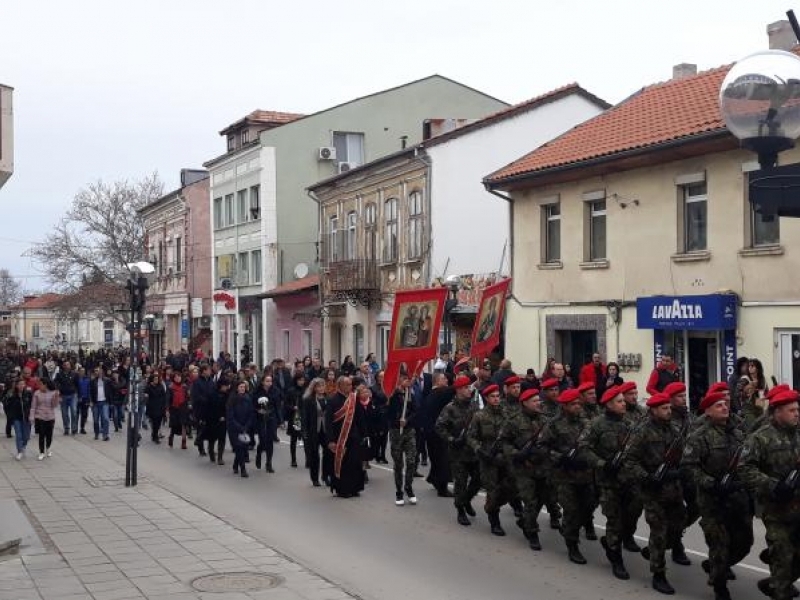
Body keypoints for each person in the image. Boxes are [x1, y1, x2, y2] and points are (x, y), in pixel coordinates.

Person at [683, 390, 753, 600]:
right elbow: (688, 467)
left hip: (737, 498)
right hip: (712, 500)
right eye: (718, 405)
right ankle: (720, 587)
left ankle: (716, 566)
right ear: (708, 411)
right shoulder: (699, 437)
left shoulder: (738, 434)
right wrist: (710, 483)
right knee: (719, 545)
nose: (724, 407)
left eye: (725, 404)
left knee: (744, 542)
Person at [622, 392, 686, 595]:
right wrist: (646, 476)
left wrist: (679, 471)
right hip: (652, 491)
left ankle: (654, 552)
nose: (669, 411)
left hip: (673, 490)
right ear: (653, 410)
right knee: (658, 532)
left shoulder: (675, 430)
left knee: (677, 527)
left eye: (669, 407)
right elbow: (629, 460)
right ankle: (658, 574)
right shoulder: (642, 432)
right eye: (664, 408)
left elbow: (683, 456)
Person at [739, 388, 800, 600]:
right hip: (776, 510)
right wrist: (773, 485)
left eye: (797, 409)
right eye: (791, 410)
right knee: (783, 557)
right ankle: (780, 587)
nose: (797, 413)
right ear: (777, 411)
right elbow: (745, 469)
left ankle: (776, 581)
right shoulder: (760, 438)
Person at [579, 385, 638, 579]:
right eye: (620, 401)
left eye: (623, 401)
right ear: (610, 404)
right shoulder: (596, 424)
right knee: (615, 520)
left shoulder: (629, 424)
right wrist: (601, 463)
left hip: (628, 480)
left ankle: (614, 542)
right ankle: (616, 558)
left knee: (629, 518)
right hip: (607, 481)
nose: (624, 404)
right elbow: (584, 448)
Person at [538, 388, 594, 565]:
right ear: (564, 406)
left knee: (587, 508)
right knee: (571, 511)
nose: (577, 407)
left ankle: (571, 529)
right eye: (573, 404)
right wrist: (560, 458)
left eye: (579, 403)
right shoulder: (554, 424)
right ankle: (572, 546)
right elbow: (542, 446)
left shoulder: (586, 423)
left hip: (585, 474)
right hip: (564, 475)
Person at [501, 387, 552, 550]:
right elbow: (504, 442)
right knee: (530, 501)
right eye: (535, 401)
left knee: (540, 499)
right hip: (523, 468)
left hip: (542, 466)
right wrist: (517, 454)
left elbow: (552, 440)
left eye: (539, 400)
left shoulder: (545, 420)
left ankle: (525, 521)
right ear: (525, 403)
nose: (539, 403)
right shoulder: (514, 421)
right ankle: (532, 533)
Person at [468, 384, 513, 536]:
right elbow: (471, 436)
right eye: (493, 397)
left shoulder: (506, 414)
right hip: (488, 459)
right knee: (493, 491)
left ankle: (490, 506)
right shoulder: (479, 416)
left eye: (498, 396)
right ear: (487, 399)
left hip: (504, 458)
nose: (496, 399)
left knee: (509, 489)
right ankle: (495, 522)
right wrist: (479, 450)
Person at [436, 376, 480, 526]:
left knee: (478, 479)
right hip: (458, 453)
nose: (469, 390)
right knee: (460, 483)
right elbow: (440, 427)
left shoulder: (474, 406)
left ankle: (466, 500)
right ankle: (460, 510)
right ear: (460, 390)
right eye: (467, 388)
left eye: (469, 387)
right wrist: (451, 439)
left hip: (473, 451)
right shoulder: (450, 408)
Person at [325, 376, 366, 498]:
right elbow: (328, 422)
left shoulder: (354, 399)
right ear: (340, 386)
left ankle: (354, 488)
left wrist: (364, 434)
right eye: (347, 385)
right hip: (339, 437)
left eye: (350, 384)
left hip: (353, 436)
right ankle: (342, 489)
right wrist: (331, 440)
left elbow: (360, 417)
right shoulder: (332, 400)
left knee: (355, 462)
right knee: (343, 463)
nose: (350, 387)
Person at [388, 373, 419, 506]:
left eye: (408, 379)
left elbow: (416, 410)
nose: (408, 382)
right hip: (396, 432)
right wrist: (397, 421)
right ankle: (399, 491)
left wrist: (407, 420)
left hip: (409, 430)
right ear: (399, 381)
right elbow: (386, 412)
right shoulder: (392, 395)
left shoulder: (410, 394)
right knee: (399, 464)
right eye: (405, 379)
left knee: (412, 461)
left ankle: (408, 486)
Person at [422, 372, 455, 497]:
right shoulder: (439, 393)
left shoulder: (432, 394)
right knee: (443, 460)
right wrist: (473, 377)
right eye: (443, 379)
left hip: (431, 432)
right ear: (436, 381)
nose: (446, 380)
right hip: (438, 432)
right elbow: (454, 389)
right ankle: (442, 488)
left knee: (436, 458)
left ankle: (433, 478)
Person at [301, 377, 330, 487]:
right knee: (314, 455)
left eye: (323, 386)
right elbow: (305, 417)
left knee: (327, 454)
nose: (321, 388)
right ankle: (314, 478)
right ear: (314, 388)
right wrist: (304, 431)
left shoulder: (328, 398)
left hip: (326, 431)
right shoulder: (308, 400)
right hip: (313, 430)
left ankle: (326, 476)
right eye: (319, 386)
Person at [227, 381, 254, 478]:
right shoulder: (232, 399)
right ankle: (243, 469)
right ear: (237, 388)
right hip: (234, 429)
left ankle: (235, 464)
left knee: (243, 448)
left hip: (245, 427)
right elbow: (230, 416)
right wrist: (239, 427)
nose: (242, 388)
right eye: (240, 387)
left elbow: (251, 413)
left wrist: (247, 426)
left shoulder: (248, 398)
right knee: (238, 447)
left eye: (244, 387)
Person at [254, 374, 280, 473]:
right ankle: (259, 453)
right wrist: (258, 411)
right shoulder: (257, 392)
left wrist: (280, 420)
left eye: (270, 381)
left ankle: (269, 463)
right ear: (262, 382)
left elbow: (277, 406)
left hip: (271, 417)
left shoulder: (275, 391)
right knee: (263, 440)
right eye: (267, 381)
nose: (269, 383)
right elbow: (253, 405)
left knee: (270, 441)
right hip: (260, 418)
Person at [30, 378, 59, 460]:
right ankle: (41, 452)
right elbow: (33, 406)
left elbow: (54, 405)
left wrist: (56, 397)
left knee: (49, 435)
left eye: (41, 384)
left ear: (45, 385)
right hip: (40, 417)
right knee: (41, 435)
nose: (39, 386)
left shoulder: (52, 392)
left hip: (50, 417)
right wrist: (32, 417)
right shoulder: (37, 393)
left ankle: (48, 448)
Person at [5, 379, 32, 459]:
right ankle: (19, 451)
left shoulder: (28, 394)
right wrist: (10, 415)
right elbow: (7, 405)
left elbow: (32, 405)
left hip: (26, 418)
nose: (21, 386)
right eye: (20, 384)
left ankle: (23, 446)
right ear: (16, 385)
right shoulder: (12, 394)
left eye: (23, 384)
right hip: (16, 418)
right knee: (18, 435)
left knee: (26, 436)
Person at [206, 377, 229, 466]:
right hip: (213, 420)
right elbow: (210, 408)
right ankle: (211, 452)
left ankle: (220, 457)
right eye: (225, 386)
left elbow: (228, 407)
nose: (227, 387)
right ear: (221, 386)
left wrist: (225, 416)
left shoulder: (227, 395)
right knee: (212, 438)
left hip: (223, 421)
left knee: (222, 439)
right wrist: (217, 416)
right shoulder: (213, 394)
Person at [284, 373, 306, 468]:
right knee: (294, 439)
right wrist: (293, 407)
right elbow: (286, 404)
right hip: (294, 417)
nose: (301, 382)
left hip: (304, 417)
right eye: (300, 380)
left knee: (306, 439)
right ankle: (293, 459)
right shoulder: (291, 391)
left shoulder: (306, 391)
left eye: (303, 380)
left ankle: (308, 459)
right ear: (296, 380)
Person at [55, 360, 79, 436]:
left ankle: (74, 428)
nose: (66, 366)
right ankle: (66, 428)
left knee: (74, 411)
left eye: (68, 364)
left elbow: (77, 384)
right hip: (63, 395)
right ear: (63, 366)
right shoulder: (59, 374)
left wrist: (79, 394)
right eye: (65, 365)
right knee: (64, 413)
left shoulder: (74, 374)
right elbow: (55, 383)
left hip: (73, 395)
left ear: (70, 365)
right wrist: (58, 390)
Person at [370, 371, 389, 464]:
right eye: (380, 376)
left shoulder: (388, 386)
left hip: (386, 415)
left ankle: (383, 455)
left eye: (384, 376)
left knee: (385, 436)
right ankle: (377, 454)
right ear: (377, 377)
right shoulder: (373, 388)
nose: (382, 378)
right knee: (377, 437)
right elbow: (373, 402)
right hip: (377, 415)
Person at [90, 367, 112, 441]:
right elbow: (90, 392)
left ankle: (105, 435)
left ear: (102, 373)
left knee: (105, 418)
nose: (98, 373)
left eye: (100, 372)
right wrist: (91, 401)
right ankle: (96, 433)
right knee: (96, 420)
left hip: (104, 402)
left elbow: (111, 390)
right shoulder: (93, 381)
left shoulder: (107, 380)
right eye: (97, 372)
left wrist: (110, 401)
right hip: (96, 403)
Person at [168, 372, 189, 449]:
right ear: (173, 378)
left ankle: (184, 442)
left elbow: (187, 397)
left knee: (183, 425)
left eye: (179, 376)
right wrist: (167, 409)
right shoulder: (171, 387)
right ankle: (171, 438)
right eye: (176, 377)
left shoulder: (184, 387)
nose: (178, 378)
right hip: (174, 408)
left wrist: (189, 404)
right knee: (174, 425)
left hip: (183, 408)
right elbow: (168, 399)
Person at [145, 373, 167, 443]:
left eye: (157, 379)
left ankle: (154, 434)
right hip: (152, 407)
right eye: (155, 379)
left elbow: (164, 396)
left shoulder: (161, 386)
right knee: (154, 423)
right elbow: (146, 395)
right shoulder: (149, 387)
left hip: (160, 407)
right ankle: (155, 436)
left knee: (158, 422)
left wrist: (165, 406)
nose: (156, 380)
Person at [76, 367, 91, 435]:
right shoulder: (76, 379)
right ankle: (75, 427)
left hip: (85, 399)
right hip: (77, 398)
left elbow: (89, 389)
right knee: (76, 414)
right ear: (78, 372)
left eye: (83, 371)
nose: (82, 372)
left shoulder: (87, 379)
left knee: (84, 414)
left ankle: (82, 428)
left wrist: (89, 399)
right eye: (81, 371)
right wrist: (78, 396)